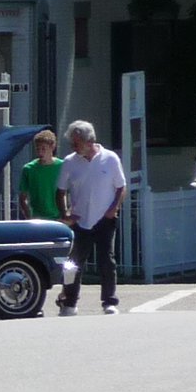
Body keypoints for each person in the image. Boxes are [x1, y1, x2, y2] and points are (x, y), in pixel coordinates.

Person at [56, 118, 128, 316]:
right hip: (80, 220)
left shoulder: (110, 158)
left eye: (76, 142)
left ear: (89, 142)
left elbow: (121, 187)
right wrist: (65, 214)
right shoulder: (70, 162)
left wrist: (114, 208)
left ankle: (109, 301)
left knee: (107, 260)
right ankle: (69, 302)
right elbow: (60, 191)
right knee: (73, 264)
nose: (73, 146)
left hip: (104, 219)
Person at [17, 129, 64, 222]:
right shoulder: (28, 169)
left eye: (43, 149)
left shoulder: (62, 166)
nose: (40, 153)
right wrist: (29, 217)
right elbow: (22, 197)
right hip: (37, 219)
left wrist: (66, 215)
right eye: (38, 149)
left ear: (52, 147)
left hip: (58, 218)